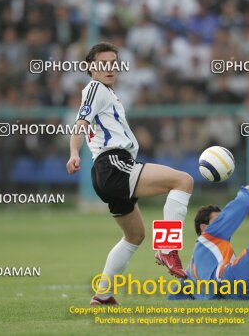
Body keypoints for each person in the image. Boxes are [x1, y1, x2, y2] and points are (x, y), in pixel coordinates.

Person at [66, 42, 194, 306]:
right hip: (113, 164)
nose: (110, 68)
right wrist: (74, 153)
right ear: (91, 67)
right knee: (183, 181)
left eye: (113, 63)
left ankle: (102, 294)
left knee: (134, 236)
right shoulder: (95, 89)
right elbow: (80, 124)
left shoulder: (108, 93)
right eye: (103, 63)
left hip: (107, 172)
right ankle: (168, 248)